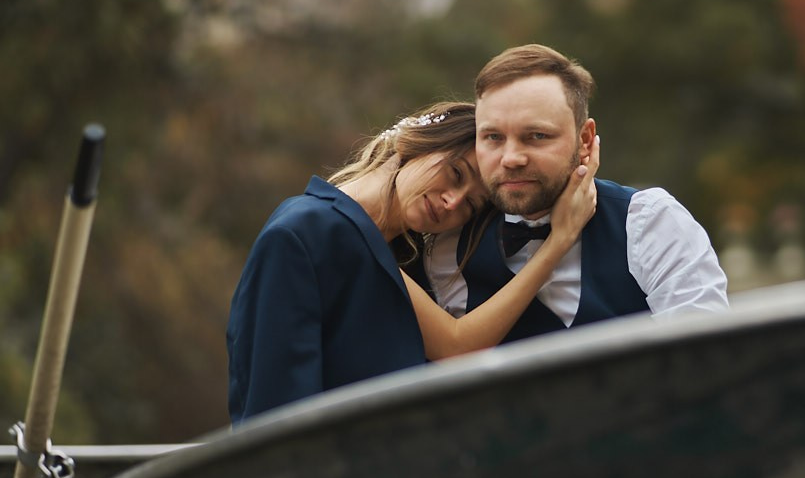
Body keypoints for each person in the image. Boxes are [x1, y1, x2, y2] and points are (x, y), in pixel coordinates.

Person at [226, 101, 597, 425]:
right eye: (456, 173)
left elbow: (456, 348)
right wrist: (558, 242)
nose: (453, 202)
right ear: (415, 141)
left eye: (470, 205)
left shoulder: (395, 257)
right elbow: (273, 410)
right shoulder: (306, 233)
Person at [423, 44, 727, 340]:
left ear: (585, 139)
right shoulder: (450, 250)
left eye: (537, 135)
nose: (511, 158)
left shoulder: (650, 222)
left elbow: (704, 356)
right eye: (493, 137)